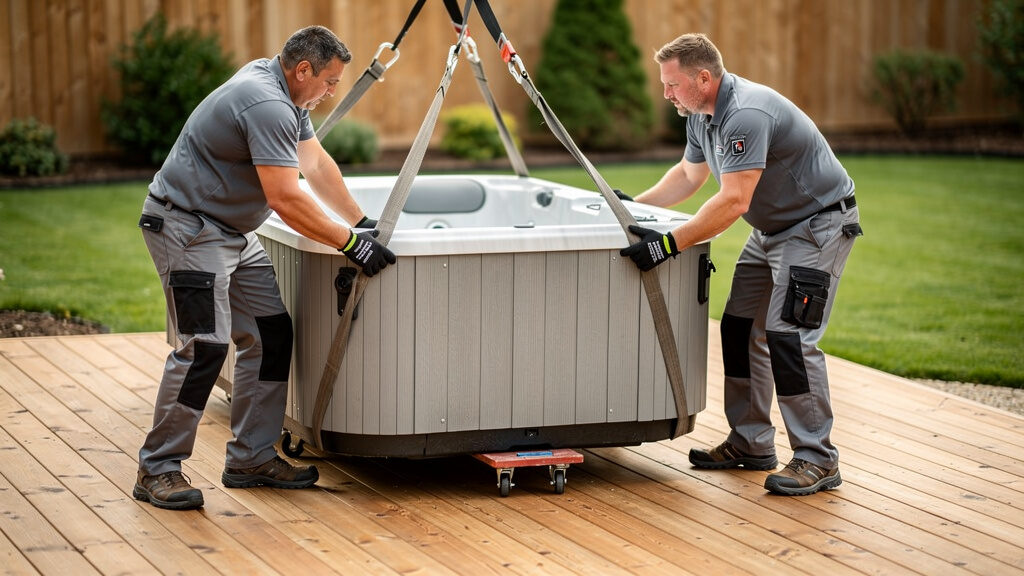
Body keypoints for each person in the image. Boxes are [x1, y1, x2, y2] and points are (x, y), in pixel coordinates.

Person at [133, 25, 395, 510]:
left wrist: (360, 222)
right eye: (331, 82)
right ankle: (158, 469)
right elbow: (285, 196)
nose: (332, 92)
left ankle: (251, 458)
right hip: (187, 229)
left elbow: (313, 165)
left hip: (231, 232)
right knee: (203, 349)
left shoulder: (288, 97)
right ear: (303, 70)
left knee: (271, 333)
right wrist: (350, 244)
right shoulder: (266, 102)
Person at [620, 33, 862, 496]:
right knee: (738, 326)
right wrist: (633, 208)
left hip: (816, 225)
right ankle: (751, 442)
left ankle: (818, 458)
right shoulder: (701, 114)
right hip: (770, 229)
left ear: (703, 78)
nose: (666, 94)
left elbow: (732, 202)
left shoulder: (747, 114)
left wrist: (665, 246)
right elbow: (689, 176)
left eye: (672, 85)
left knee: (789, 334)